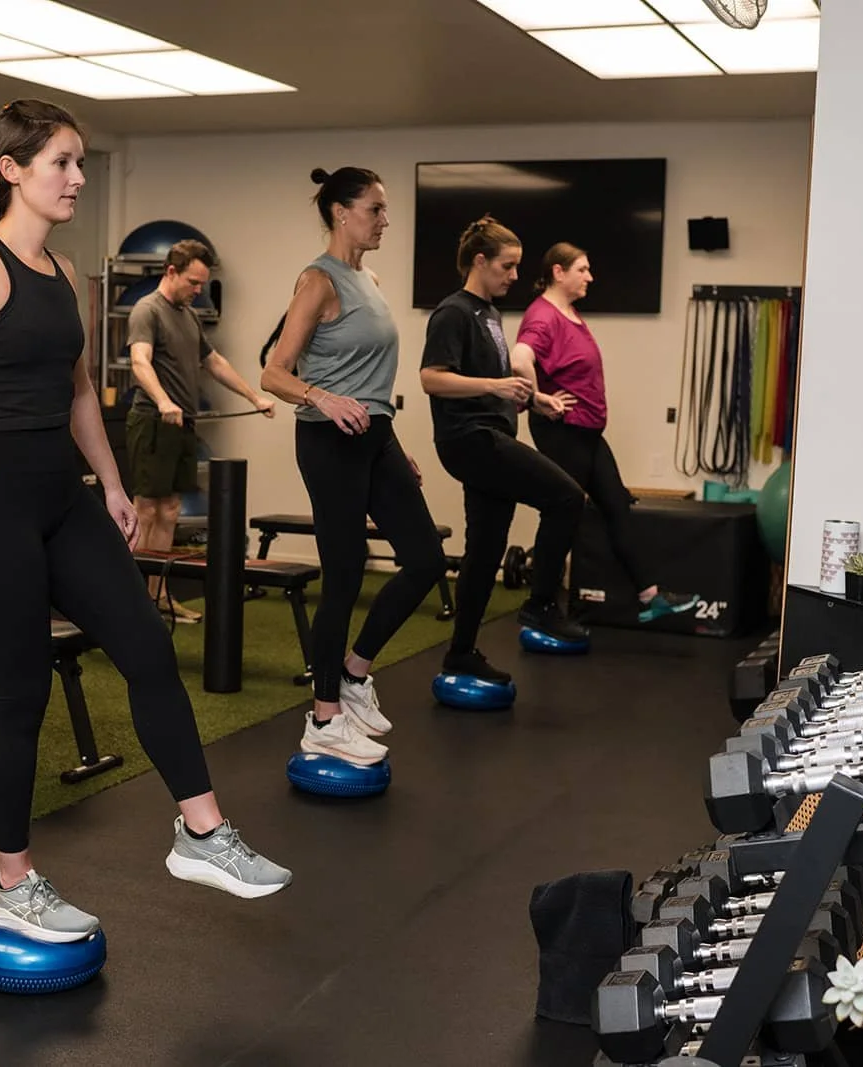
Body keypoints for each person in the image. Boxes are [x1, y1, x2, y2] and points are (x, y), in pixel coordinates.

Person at [0, 99, 291, 942]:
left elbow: (76, 391)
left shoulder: (66, 275)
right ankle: (11, 879)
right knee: (21, 693)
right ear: (13, 169)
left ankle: (203, 832)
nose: (75, 177)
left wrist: (109, 482)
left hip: (62, 496)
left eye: (79, 162)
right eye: (62, 162)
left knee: (145, 645)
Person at [259, 166, 446, 768]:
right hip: (328, 440)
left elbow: (369, 376)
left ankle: (355, 671)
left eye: (384, 209)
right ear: (341, 212)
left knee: (424, 559)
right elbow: (274, 371)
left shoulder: (371, 278)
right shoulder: (319, 280)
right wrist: (319, 396)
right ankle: (323, 718)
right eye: (375, 209)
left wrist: (392, 437)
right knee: (343, 575)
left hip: (374, 435)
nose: (385, 219)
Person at [419, 216, 589, 683]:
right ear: (480, 261)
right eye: (507, 266)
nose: (515, 276)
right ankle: (539, 604)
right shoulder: (453, 312)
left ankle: (461, 651)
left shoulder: (489, 314)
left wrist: (533, 397)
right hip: (469, 438)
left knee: (486, 550)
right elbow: (431, 377)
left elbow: (497, 382)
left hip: (492, 433)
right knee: (568, 497)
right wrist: (495, 385)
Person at [513, 243, 698, 623]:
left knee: (616, 506)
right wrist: (535, 399)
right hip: (562, 431)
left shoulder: (570, 314)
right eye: (582, 269)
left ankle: (650, 595)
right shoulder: (543, 316)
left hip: (588, 433)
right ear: (558, 272)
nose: (590, 276)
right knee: (561, 515)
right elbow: (519, 358)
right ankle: (539, 605)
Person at [127, 239, 274, 622]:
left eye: (202, 284)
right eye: (193, 282)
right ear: (171, 271)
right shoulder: (148, 311)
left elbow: (214, 362)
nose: (198, 290)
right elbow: (140, 362)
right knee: (145, 511)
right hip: (153, 421)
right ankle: (130, 603)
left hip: (182, 422)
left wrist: (253, 397)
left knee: (171, 509)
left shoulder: (188, 315)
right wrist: (162, 400)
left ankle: (158, 597)